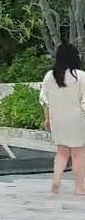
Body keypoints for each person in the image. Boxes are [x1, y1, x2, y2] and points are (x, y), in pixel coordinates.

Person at [40, 43, 85, 195]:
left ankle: (56, 181)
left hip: (57, 119)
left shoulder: (49, 76)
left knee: (61, 153)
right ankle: (79, 187)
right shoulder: (81, 76)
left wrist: (47, 119)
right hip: (77, 119)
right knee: (78, 154)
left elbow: (45, 100)